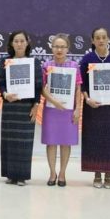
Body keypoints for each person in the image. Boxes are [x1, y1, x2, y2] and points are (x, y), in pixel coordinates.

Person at [79, 27, 110, 189]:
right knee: (94, 139)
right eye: (97, 38)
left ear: (108, 39)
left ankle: (109, 174)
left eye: (104, 37)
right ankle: (96, 173)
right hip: (93, 106)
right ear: (92, 41)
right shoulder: (87, 59)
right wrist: (87, 99)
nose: (101, 40)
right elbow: (83, 84)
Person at [0, 30, 42, 186]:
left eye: (22, 41)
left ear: (27, 43)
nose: (19, 44)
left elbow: (38, 85)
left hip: (26, 107)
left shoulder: (34, 63)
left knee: (24, 142)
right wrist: (5, 94)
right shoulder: (5, 61)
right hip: (10, 106)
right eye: (16, 41)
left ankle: (21, 176)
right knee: (9, 141)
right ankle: (10, 174)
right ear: (11, 44)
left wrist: (36, 105)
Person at [40, 34, 82, 187]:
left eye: (62, 47)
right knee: (51, 142)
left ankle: (63, 173)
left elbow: (78, 89)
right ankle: (52, 172)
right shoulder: (47, 65)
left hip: (68, 110)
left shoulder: (74, 66)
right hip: (51, 109)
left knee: (66, 142)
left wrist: (78, 109)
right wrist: (54, 101)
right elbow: (42, 89)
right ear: (51, 48)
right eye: (56, 46)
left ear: (67, 49)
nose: (59, 49)